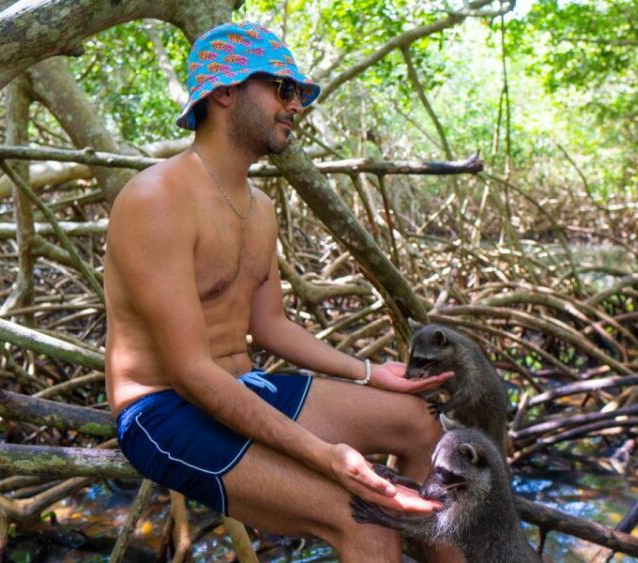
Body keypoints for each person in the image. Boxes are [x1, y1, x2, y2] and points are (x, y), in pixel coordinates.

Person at [104, 21, 458, 561]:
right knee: (367, 521)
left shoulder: (260, 207)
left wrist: (369, 373)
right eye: (283, 89)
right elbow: (189, 373)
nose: (296, 105)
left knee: (420, 421)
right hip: (163, 411)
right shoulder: (156, 199)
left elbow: (269, 326)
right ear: (225, 92)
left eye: (299, 94)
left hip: (241, 386)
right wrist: (325, 456)